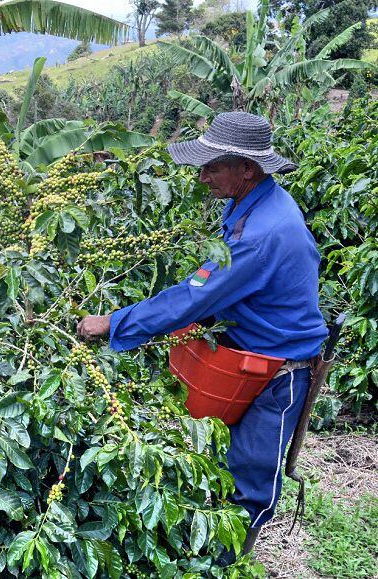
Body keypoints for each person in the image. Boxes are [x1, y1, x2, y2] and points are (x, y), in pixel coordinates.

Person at [76, 112, 328, 559]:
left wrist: (115, 322)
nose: (202, 175)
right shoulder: (249, 203)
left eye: (213, 166)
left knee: (251, 476)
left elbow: (194, 297)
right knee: (223, 457)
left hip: (281, 372)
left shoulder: (264, 232)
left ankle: (225, 563)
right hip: (248, 354)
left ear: (247, 169)